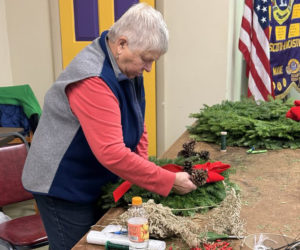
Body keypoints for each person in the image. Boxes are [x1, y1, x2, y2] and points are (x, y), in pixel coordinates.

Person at [22, 3, 197, 249]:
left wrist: (142, 165)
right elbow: (111, 153)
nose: (149, 67)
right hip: (62, 185)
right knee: (78, 246)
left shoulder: (127, 65)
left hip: (92, 174)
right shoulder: (92, 78)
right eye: (147, 59)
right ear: (122, 44)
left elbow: (138, 120)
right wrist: (167, 180)